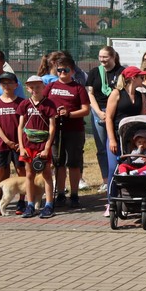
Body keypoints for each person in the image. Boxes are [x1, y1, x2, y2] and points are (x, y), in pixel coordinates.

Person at [46, 57, 92, 208]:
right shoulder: (51, 86)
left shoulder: (78, 88)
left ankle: (74, 195)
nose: (62, 73)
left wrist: (69, 114)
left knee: (73, 163)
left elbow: (86, 109)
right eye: (59, 70)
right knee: (58, 162)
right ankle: (60, 193)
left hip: (75, 130)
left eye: (65, 70)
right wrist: (53, 114)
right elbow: (43, 104)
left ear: (72, 71)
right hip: (56, 130)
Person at [104, 66, 146, 193]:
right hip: (116, 135)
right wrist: (112, 140)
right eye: (141, 76)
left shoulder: (140, 96)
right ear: (133, 78)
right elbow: (108, 117)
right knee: (114, 167)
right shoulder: (116, 93)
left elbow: (143, 118)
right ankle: (111, 200)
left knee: (132, 166)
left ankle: (128, 196)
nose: (144, 78)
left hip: (133, 139)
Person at [17, 76, 58, 219]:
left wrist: (47, 147)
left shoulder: (49, 104)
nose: (35, 89)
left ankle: (48, 204)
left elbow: (52, 127)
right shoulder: (24, 104)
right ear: (28, 88)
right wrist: (21, 146)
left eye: (38, 86)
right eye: (32, 87)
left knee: (46, 173)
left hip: (42, 143)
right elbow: (20, 127)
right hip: (28, 144)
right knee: (29, 174)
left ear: (43, 87)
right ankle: (29, 204)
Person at [0, 72, 25, 215]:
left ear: (16, 85)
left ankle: (22, 201)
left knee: (22, 171)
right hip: (1, 143)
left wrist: (19, 143)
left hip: (19, 143)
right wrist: (7, 141)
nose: (6, 85)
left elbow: (23, 124)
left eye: (9, 82)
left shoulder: (21, 102)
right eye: (3, 83)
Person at [86, 46, 123, 191]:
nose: (102, 60)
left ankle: (119, 176)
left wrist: (109, 113)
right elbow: (90, 93)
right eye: (100, 57)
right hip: (99, 112)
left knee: (115, 146)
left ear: (113, 57)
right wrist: (98, 111)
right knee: (101, 148)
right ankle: (106, 180)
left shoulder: (121, 72)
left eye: (105, 57)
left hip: (115, 112)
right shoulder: (94, 72)